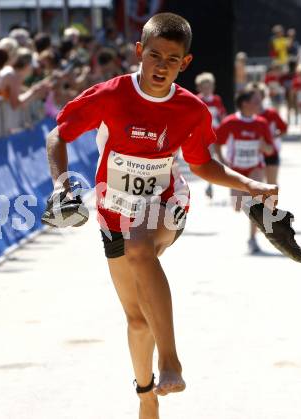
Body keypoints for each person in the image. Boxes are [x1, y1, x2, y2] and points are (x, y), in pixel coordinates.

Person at [46, 13, 278, 419]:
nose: (161, 66)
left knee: (140, 245)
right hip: (112, 210)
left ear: (184, 64)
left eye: (172, 60)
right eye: (154, 56)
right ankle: (146, 393)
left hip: (166, 202)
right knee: (137, 319)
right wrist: (60, 186)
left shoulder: (191, 110)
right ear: (139, 52)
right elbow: (58, 135)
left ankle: (170, 361)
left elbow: (204, 164)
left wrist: (248, 185)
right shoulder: (110, 94)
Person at [215, 89, 276, 254]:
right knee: (237, 206)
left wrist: (264, 147)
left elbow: (270, 150)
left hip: (255, 167)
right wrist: (222, 161)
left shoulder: (262, 123)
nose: (259, 105)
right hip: (235, 169)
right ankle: (253, 219)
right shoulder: (230, 122)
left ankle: (252, 238)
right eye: (255, 102)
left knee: (256, 202)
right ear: (244, 104)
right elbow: (217, 142)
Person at [195, 71, 226, 199]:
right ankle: (210, 184)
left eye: (209, 86)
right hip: (204, 136)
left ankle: (222, 182)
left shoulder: (217, 100)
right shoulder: (197, 99)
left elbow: (222, 115)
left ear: (213, 87)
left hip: (217, 134)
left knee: (218, 159)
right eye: (204, 86)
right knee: (209, 159)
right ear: (199, 87)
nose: (207, 89)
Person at [249, 82, 287, 186]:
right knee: (255, 186)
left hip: (271, 152)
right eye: (252, 96)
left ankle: (271, 202)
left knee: (271, 184)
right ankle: (256, 203)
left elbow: (284, 129)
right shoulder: (245, 115)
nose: (255, 99)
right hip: (251, 154)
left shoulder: (271, 113)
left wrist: (272, 137)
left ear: (263, 96)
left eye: (258, 96)